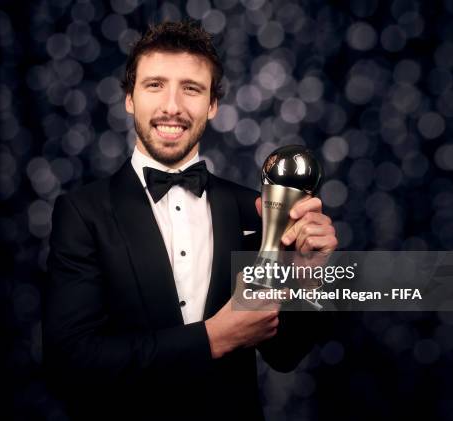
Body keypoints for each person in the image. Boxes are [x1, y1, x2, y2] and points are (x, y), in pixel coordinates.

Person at [43, 21, 337, 421]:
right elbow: (72, 363)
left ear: (212, 105)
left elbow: (284, 355)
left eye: (192, 89)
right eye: (154, 85)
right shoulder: (82, 213)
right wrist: (213, 338)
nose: (172, 107)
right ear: (129, 97)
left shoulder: (253, 209)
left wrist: (311, 279)